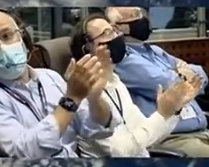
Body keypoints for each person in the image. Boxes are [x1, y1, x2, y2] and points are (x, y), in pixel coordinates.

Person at [0, 8, 121, 158]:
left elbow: (96, 130)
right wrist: (71, 99)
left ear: (23, 37)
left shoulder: (50, 77)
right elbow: (25, 152)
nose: (3, 47)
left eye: (7, 36)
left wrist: (94, 98)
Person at [70, 13, 200, 157]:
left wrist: (172, 110)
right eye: (106, 33)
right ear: (87, 49)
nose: (116, 37)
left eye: (114, 30)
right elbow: (121, 152)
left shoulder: (115, 81)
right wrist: (162, 114)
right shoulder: (83, 95)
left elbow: (148, 136)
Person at [105, 7, 209, 157]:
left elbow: (200, 75)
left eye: (141, 14)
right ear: (117, 27)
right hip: (172, 139)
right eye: (134, 15)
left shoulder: (156, 51)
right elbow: (172, 86)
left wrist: (182, 75)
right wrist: (180, 72)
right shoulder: (123, 60)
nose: (142, 19)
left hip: (204, 132)